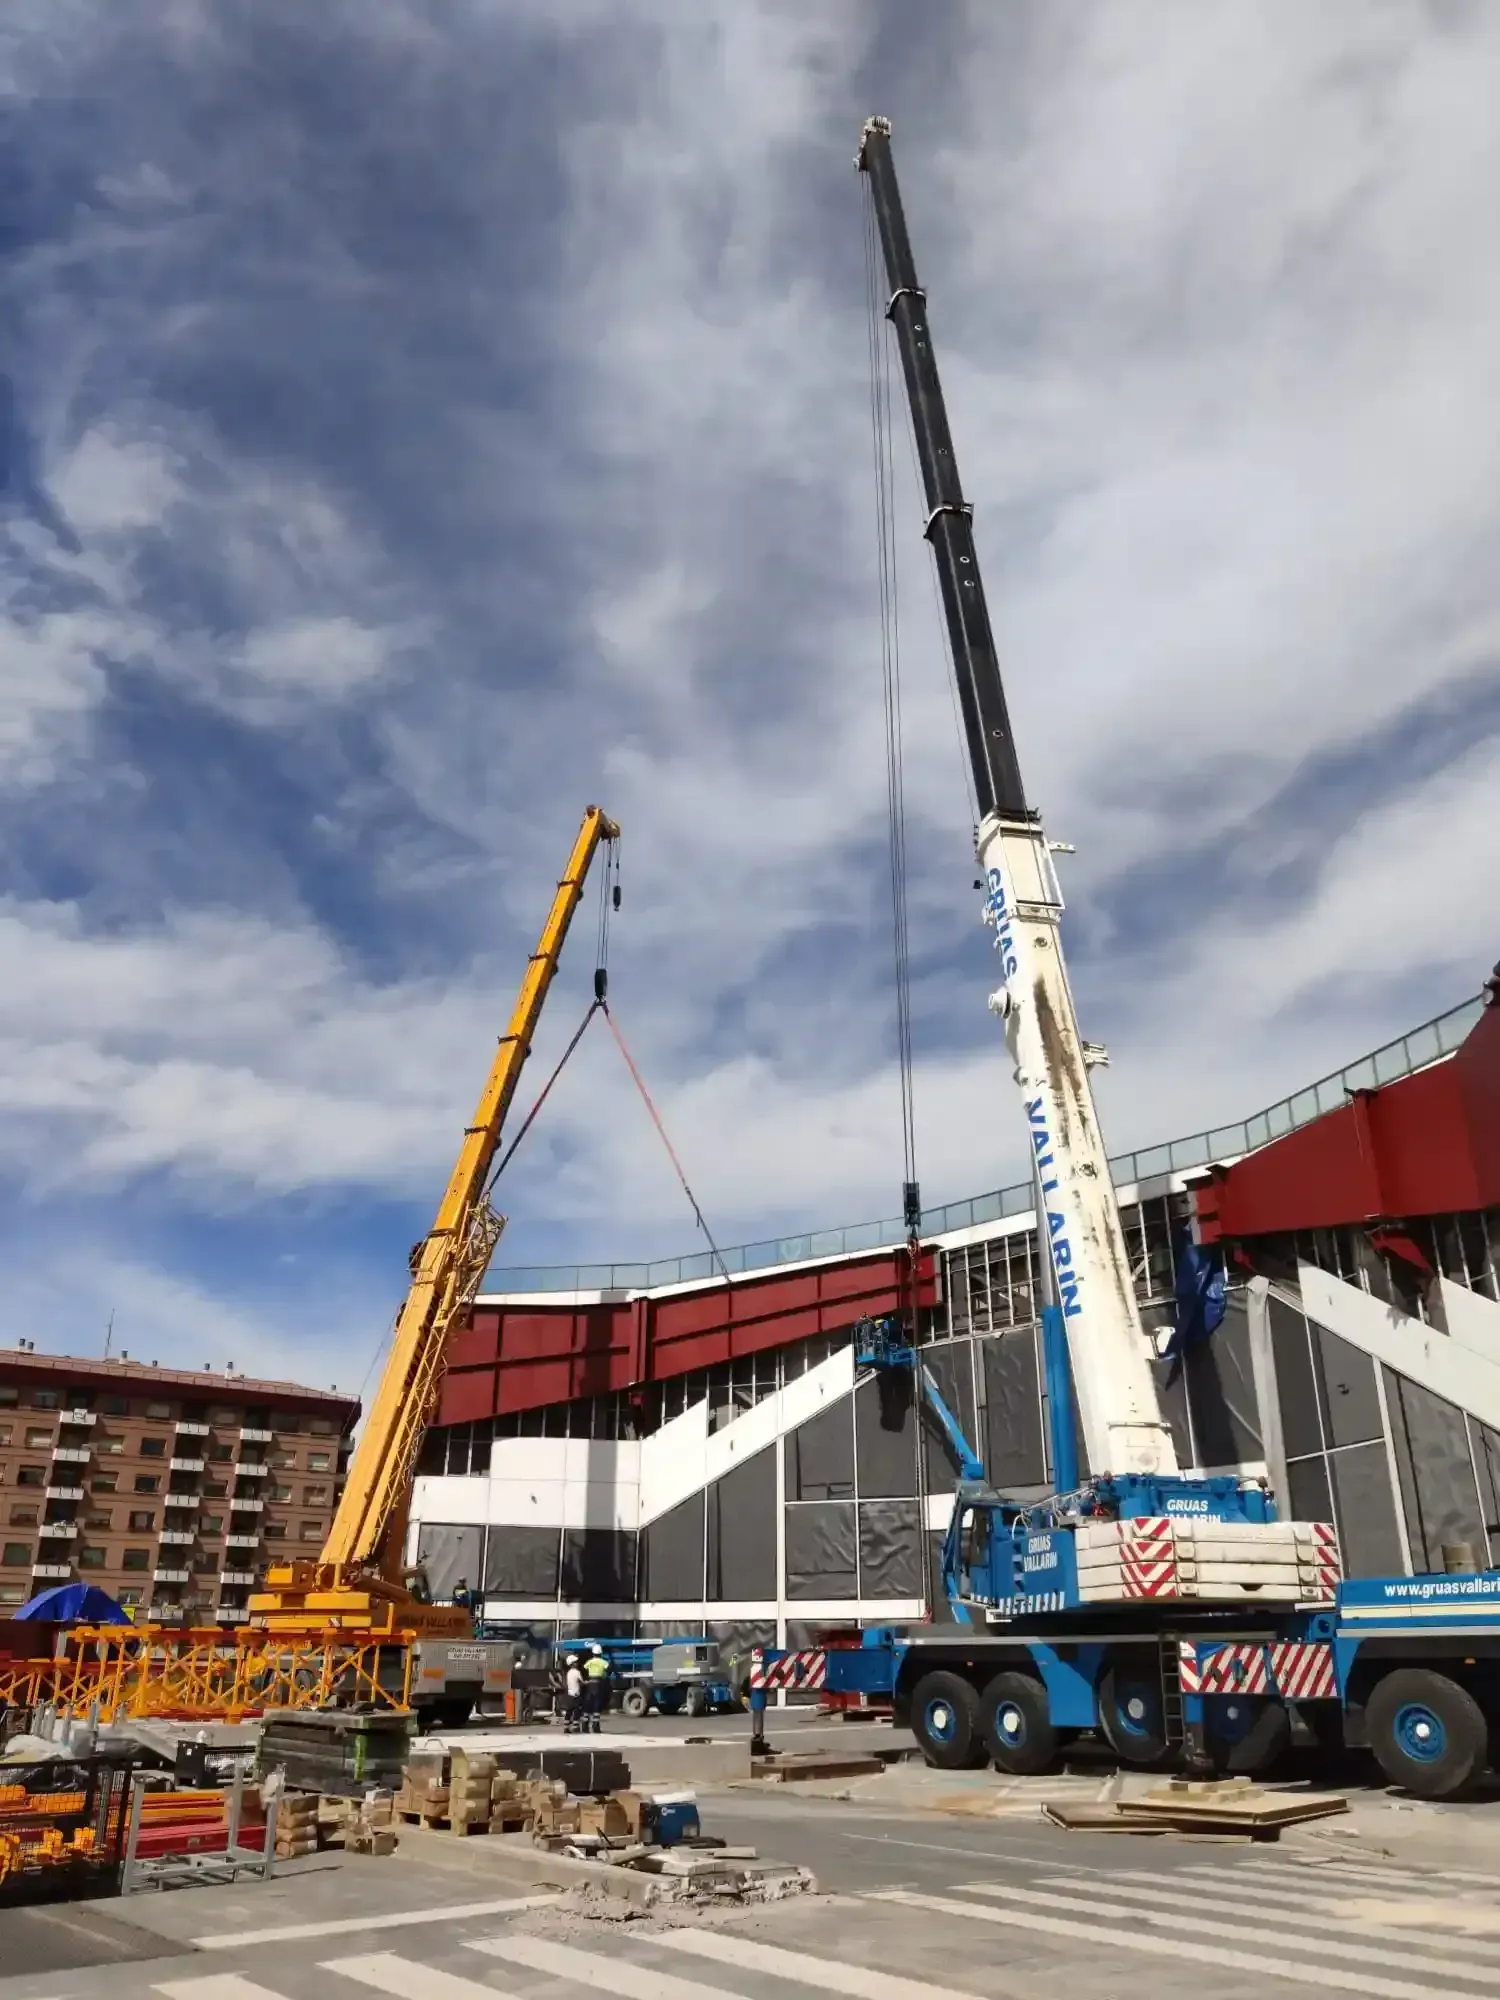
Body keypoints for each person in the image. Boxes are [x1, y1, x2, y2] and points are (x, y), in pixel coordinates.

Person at [583, 1643, 611, 1733]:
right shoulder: (603, 1662)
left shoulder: (589, 1662)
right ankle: (595, 1726)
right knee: (597, 1704)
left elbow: (584, 1667)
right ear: (601, 1653)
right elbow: (608, 1669)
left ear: (593, 1653)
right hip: (599, 1683)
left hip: (590, 1683)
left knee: (588, 1703)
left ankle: (584, 1725)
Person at [562, 1654, 585, 1733]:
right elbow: (581, 1683)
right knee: (577, 1711)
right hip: (576, 1694)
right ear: (572, 1664)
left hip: (569, 1694)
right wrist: (587, 1683)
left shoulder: (568, 1673)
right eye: (575, 1662)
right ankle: (575, 1727)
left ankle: (566, 1727)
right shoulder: (577, 1672)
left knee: (569, 1711)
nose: (577, 1663)